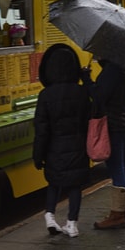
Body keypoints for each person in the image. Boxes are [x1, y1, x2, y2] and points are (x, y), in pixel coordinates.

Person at [33, 43, 91, 238]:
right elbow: (88, 120)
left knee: (54, 183)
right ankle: (71, 224)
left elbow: (41, 129)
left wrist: (38, 155)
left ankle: (50, 216)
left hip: (54, 147)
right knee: (75, 185)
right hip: (77, 146)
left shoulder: (45, 95)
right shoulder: (82, 93)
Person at [81, 58, 125, 230]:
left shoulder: (113, 69)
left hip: (113, 124)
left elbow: (99, 96)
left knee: (116, 167)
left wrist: (87, 78)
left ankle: (117, 215)